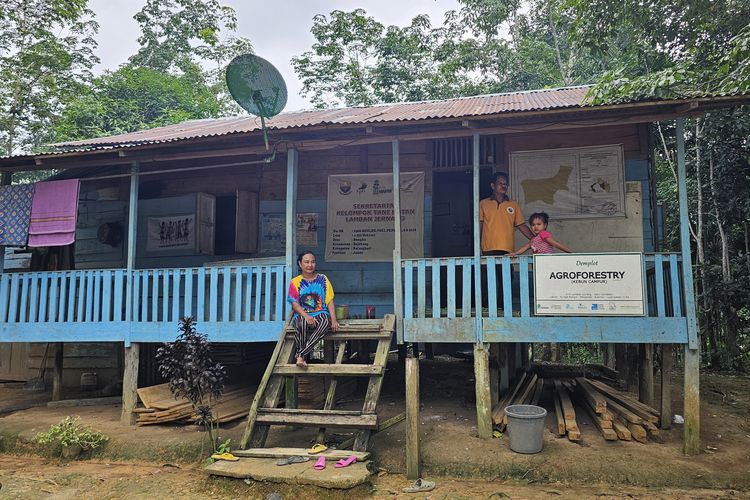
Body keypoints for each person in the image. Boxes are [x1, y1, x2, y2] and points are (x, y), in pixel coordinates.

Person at [287, 251, 340, 368]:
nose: (310, 265)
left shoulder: (323, 279)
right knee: (301, 324)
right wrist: (306, 316)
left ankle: (300, 355)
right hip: (303, 313)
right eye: (306, 262)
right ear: (300, 264)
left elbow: (329, 300)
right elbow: (294, 304)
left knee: (326, 322)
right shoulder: (295, 282)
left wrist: (334, 319)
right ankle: (302, 356)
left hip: (321, 312)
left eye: (312, 262)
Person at [479, 172, 534, 255]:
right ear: (493, 186)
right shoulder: (483, 203)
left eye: (505, 184)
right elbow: (480, 225)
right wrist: (477, 246)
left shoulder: (513, 204)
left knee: (507, 268)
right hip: (488, 247)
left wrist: (535, 239)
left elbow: (521, 225)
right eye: (500, 183)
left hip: (507, 248)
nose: (503, 186)